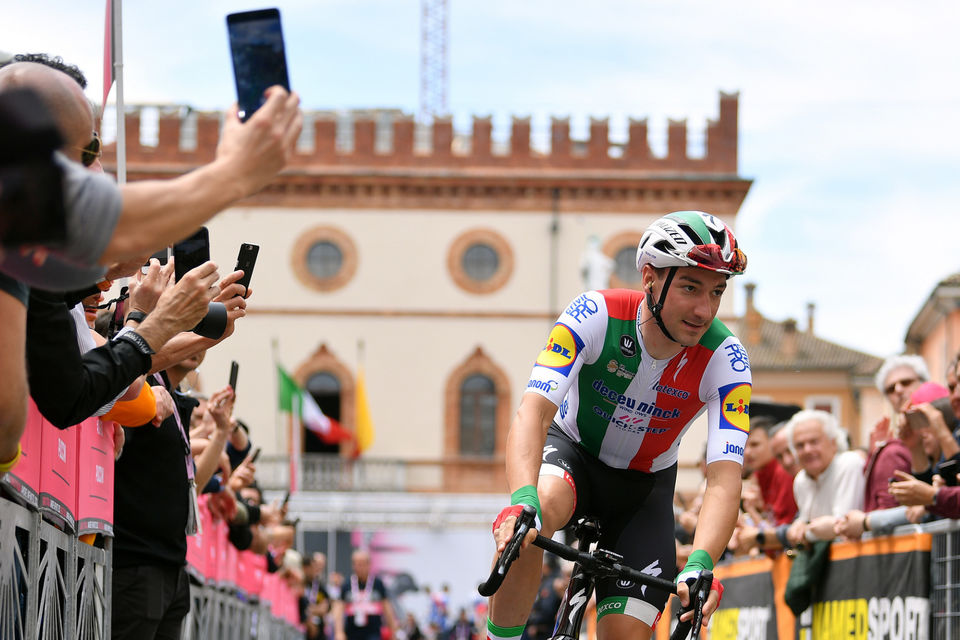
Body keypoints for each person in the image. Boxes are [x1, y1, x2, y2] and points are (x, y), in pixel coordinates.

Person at [489, 211, 750, 640]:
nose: (704, 310)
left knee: (624, 634)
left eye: (717, 292)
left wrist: (701, 561)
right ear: (650, 278)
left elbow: (724, 475)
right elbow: (533, 412)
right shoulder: (595, 313)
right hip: (573, 455)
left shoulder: (727, 358)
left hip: (643, 491)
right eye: (690, 287)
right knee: (533, 517)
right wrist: (521, 500)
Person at [784, 410, 865, 545]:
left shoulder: (849, 463)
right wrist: (799, 525)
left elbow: (841, 526)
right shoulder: (801, 480)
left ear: (833, 443)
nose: (807, 450)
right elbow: (806, 521)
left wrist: (805, 531)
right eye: (800, 445)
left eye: (814, 442)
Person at [333, 549, 398, 640]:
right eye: (356, 564)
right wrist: (339, 632)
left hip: (373, 632)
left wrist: (393, 631)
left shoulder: (378, 584)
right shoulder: (347, 584)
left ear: (368, 564)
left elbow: (387, 608)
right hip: (352, 632)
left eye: (362, 564)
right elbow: (339, 610)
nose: (359, 567)